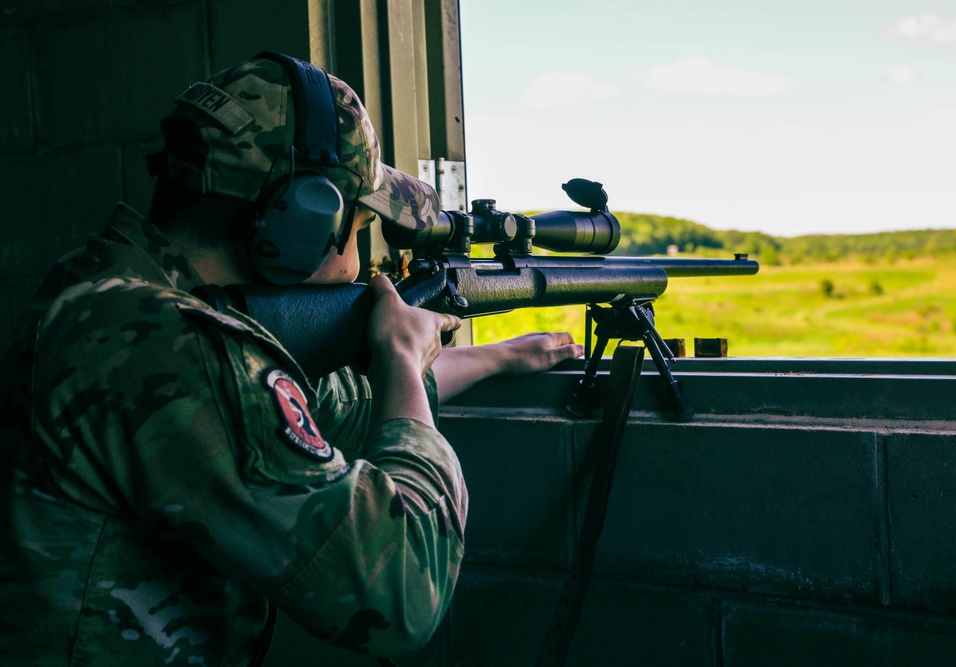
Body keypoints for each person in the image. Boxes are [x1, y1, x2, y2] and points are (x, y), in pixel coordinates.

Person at [0, 51, 582, 665]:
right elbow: (404, 591)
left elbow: (327, 407)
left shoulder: (112, 297)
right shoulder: (177, 348)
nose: (364, 259)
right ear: (303, 219)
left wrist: (495, 359)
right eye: (360, 226)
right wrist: (403, 363)